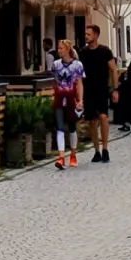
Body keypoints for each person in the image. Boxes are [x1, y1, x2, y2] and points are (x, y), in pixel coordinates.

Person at [78, 25, 117, 163]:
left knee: (103, 116)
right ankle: (96, 151)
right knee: (92, 121)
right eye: (85, 34)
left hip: (102, 88)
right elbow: (79, 74)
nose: (86, 36)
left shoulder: (105, 51)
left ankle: (105, 148)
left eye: (88, 34)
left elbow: (113, 69)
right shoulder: (83, 52)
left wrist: (115, 89)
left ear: (96, 35)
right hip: (89, 90)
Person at [46, 39, 86, 169]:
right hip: (59, 97)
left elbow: (79, 83)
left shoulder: (77, 65)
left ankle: (73, 154)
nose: (59, 51)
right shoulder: (56, 64)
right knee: (59, 127)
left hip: (71, 97)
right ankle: (61, 156)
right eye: (58, 48)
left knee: (72, 126)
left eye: (61, 48)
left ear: (68, 50)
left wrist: (80, 100)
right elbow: (54, 80)